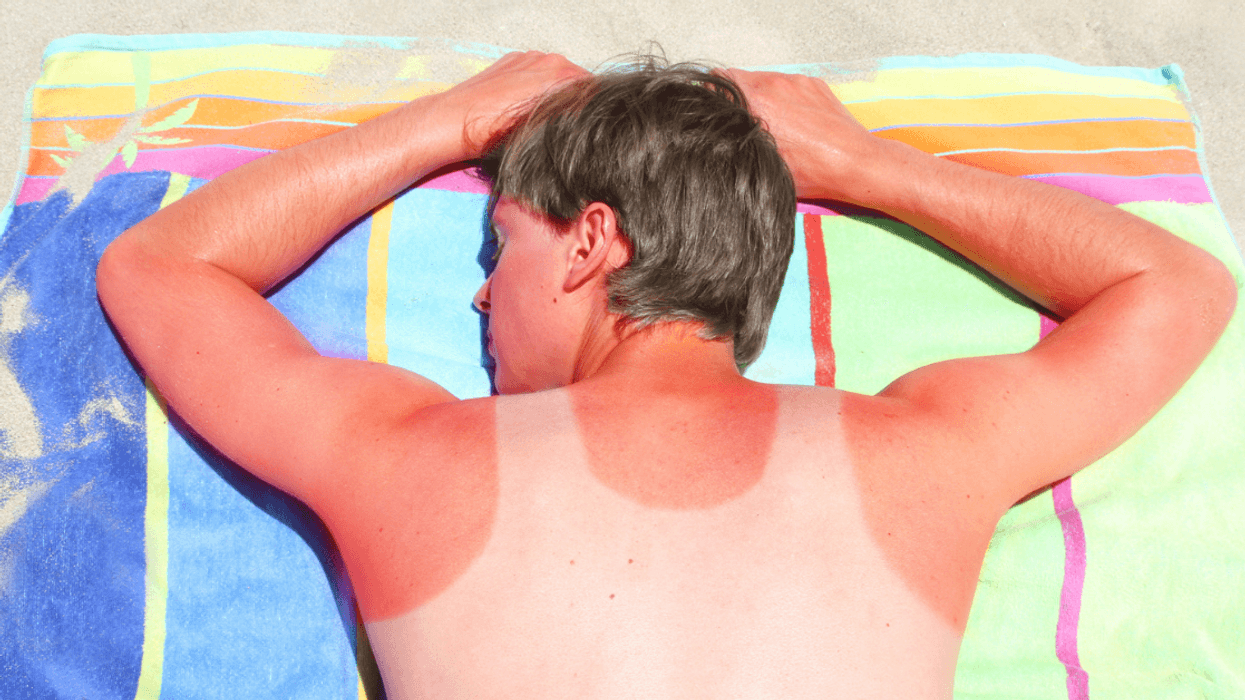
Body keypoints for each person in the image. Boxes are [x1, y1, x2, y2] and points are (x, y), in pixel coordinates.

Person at [96, 51, 1236, 699]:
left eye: (503, 248)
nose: (483, 296)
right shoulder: (926, 453)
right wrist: (868, 166)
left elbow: (158, 266)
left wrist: (444, 120)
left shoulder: (416, 460)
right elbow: (1175, 287)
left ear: (591, 243)